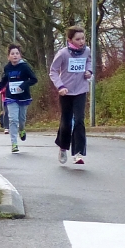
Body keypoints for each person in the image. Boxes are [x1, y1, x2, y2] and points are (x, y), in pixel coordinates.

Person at [50, 25, 93, 164]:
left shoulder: (87, 51)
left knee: (79, 120)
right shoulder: (63, 53)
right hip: (66, 92)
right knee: (66, 122)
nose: (81, 42)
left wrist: (89, 72)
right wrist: (60, 86)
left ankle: (78, 153)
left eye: (83, 38)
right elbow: (53, 71)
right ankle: (63, 147)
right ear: (70, 40)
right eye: (78, 39)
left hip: (81, 90)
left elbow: (89, 62)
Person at [0, 44, 38, 153]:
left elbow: (34, 79)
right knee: (13, 119)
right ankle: (14, 143)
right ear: (8, 57)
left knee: (21, 119)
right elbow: (5, 79)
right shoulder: (7, 68)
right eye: (12, 54)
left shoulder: (24, 67)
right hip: (11, 96)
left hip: (23, 97)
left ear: (20, 55)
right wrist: (0, 86)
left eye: (17, 53)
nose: (15, 55)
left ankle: (22, 129)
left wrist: (23, 85)